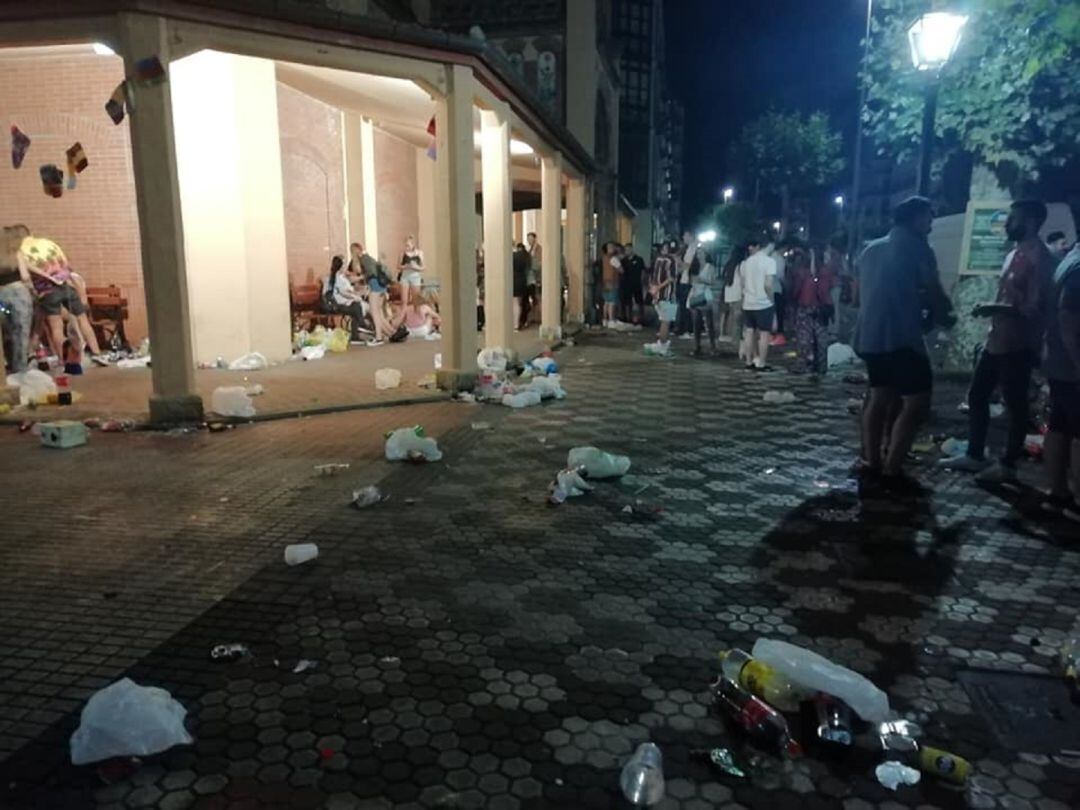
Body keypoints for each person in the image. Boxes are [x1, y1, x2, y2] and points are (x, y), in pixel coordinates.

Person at [940, 200, 1057, 481]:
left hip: (1019, 344)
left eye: (1012, 219)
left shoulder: (1039, 259)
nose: (1006, 224)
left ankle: (1007, 466)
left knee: (1015, 406)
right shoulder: (1013, 254)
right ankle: (975, 455)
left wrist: (995, 308)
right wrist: (995, 309)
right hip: (997, 340)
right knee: (977, 395)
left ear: (1030, 222)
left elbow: (1035, 308)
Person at [853, 196, 954, 492]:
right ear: (915, 219)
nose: (931, 224)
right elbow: (933, 290)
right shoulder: (919, 248)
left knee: (878, 395)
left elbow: (863, 295)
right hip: (902, 337)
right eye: (928, 217)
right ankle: (892, 466)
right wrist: (945, 315)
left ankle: (872, 459)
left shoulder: (871, 249)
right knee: (917, 402)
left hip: (870, 336)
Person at [16, 226, 107, 365]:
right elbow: (66, 264)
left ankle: (63, 359)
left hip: (46, 290)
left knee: (56, 327)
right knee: (83, 320)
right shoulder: (48, 244)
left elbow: (26, 273)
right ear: (30, 233)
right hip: (65, 284)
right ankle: (97, 352)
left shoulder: (21, 249)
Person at [1041, 242, 1080, 517]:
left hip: (1056, 359)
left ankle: (1057, 490)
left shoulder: (1069, 259)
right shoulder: (1078, 268)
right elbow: (1068, 314)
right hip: (1072, 364)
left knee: (1059, 425)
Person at [790, 245, 838, 374]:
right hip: (821, 310)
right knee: (821, 339)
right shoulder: (826, 272)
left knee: (804, 339)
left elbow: (795, 291)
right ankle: (820, 367)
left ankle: (803, 364)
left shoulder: (802, 272)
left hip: (805, 308)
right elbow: (828, 290)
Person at [738, 235, 776, 370]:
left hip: (748, 302)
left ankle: (749, 361)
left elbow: (742, 284)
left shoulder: (747, 262)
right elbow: (769, 285)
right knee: (764, 334)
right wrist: (772, 300)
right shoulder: (769, 262)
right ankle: (762, 363)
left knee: (749, 331)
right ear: (767, 246)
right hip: (763, 302)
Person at [0, 226, 33, 372]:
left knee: (6, 332)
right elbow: (25, 276)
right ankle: (20, 369)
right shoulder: (16, 252)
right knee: (21, 333)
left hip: (1, 297)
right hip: (19, 294)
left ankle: (7, 365)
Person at [350, 242, 395, 346]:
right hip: (381, 285)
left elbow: (370, 273)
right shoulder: (369, 257)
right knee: (378, 312)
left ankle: (379, 338)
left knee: (374, 312)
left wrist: (361, 278)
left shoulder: (364, 259)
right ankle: (391, 332)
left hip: (375, 285)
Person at [324, 254, 370, 345]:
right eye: (344, 264)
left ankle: (358, 332)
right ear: (340, 266)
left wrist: (360, 292)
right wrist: (356, 296)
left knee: (357, 306)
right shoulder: (334, 278)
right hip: (337, 305)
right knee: (356, 306)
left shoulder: (342, 277)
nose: (345, 267)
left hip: (345, 302)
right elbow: (344, 293)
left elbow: (349, 291)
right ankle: (362, 325)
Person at [645, 240, 678, 356]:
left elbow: (651, 276)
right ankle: (663, 345)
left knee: (663, 320)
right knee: (666, 321)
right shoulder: (671, 261)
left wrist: (653, 289)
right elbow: (671, 278)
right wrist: (659, 287)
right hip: (667, 294)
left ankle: (661, 343)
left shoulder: (658, 260)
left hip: (657, 295)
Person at [690, 250, 718, 356]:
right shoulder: (695, 266)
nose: (699, 255)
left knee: (709, 323)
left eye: (701, 253)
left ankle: (712, 346)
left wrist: (702, 280)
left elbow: (713, 281)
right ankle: (697, 346)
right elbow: (691, 280)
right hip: (695, 294)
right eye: (697, 254)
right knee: (696, 323)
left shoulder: (709, 267)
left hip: (705, 294)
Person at [720, 244, 748, 345]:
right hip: (738, 294)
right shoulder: (742, 264)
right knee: (738, 318)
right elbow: (744, 281)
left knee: (733, 316)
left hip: (730, 294)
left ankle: (733, 337)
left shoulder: (730, 264)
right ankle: (736, 339)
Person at [674, 232, 697, 338]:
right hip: (683, 280)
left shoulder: (693, 249)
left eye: (685, 236)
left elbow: (688, 266)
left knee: (686, 307)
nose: (683, 237)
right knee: (682, 306)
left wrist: (678, 261)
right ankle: (682, 328)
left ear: (690, 236)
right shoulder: (687, 249)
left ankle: (687, 330)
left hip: (687, 281)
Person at [620, 242, 646, 326]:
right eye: (626, 250)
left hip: (637, 283)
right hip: (627, 284)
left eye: (629, 249)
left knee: (639, 302)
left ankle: (641, 318)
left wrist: (642, 281)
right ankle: (628, 318)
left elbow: (643, 271)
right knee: (627, 302)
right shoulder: (623, 261)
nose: (627, 251)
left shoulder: (639, 259)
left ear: (632, 249)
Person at [767, 242, 788, 345]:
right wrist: (786, 285)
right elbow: (781, 276)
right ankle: (778, 334)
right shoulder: (780, 260)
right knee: (779, 312)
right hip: (776, 288)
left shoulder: (769, 257)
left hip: (768, 289)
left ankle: (770, 334)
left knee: (770, 312)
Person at [398, 235, 425, 309]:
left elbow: (423, 267)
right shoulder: (402, 253)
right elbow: (398, 266)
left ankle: (417, 316)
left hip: (415, 277)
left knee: (416, 300)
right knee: (404, 300)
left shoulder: (419, 253)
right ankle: (403, 317)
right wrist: (406, 266)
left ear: (413, 245)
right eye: (405, 245)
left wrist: (415, 267)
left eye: (408, 245)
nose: (406, 247)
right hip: (405, 277)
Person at [601, 242, 622, 327]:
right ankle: (611, 320)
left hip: (605, 282)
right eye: (612, 247)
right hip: (613, 282)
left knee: (606, 302)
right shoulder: (614, 259)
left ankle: (605, 320)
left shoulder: (604, 258)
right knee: (612, 302)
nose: (613, 248)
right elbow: (621, 270)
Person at [513, 242, 531, 330]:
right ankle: (519, 323)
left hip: (514, 280)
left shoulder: (513, 256)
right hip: (522, 280)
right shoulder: (526, 256)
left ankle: (515, 323)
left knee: (515, 303)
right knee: (520, 303)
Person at [526, 232, 541, 326]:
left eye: (531, 239)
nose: (529, 241)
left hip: (535, 277)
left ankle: (538, 317)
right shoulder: (530, 249)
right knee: (533, 298)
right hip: (530, 277)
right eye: (528, 239)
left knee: (536, 298)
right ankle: (534, 317)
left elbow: (539, 264)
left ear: (535, 239)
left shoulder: (538, 249)